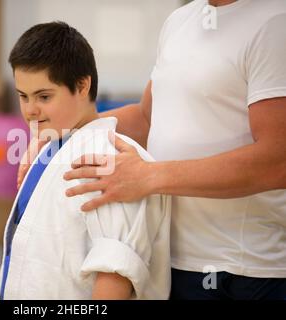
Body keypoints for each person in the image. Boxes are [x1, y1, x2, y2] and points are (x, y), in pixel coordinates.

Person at [56, 0, 286, 299]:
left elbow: (277, 160)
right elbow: (146, 118)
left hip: (244, 273)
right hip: (169, 261)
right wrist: (61, 133)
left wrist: (150, 177)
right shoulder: (180, 21)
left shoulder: (274, 22)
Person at [0, 21, 171, 300]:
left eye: (44, 96)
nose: (30, 110)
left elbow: (115, 274)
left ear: (82, 85)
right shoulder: (50, 148)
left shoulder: (111, 160)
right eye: (23, 96)